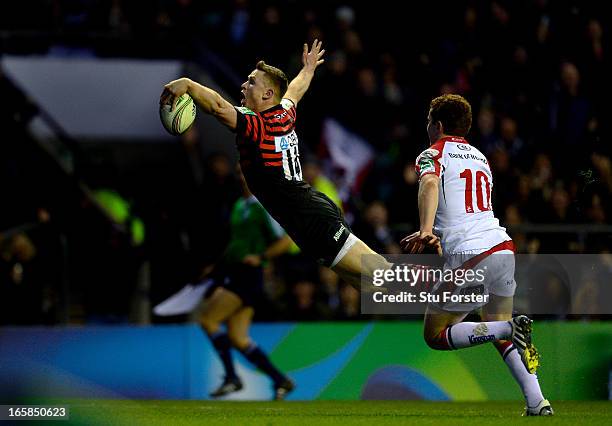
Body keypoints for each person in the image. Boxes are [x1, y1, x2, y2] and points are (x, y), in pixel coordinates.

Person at [160, 39, 390, 289]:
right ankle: (437, 320)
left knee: (382, 273)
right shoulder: (284, 112)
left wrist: (189, 84)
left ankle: (438, 286)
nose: (243, 86)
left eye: (251, 82)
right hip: (307, 217)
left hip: (310, 217)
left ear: (268, 94)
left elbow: (217, 106)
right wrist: (309, 69)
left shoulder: (257, 126)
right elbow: (295, 90)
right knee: (369, 284)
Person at [401, 94, 553, 416]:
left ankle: (508, 328)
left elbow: (429, 184)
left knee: (436, 335)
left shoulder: (432, 153)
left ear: (437, 125)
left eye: (429, 121)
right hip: (502, 247)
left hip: (471, 254)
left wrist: (427, 229)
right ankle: (537, 402)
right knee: (495, 324)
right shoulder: (480, 157)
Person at [199, 167, 294, 400]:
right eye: (239, 173)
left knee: (208, 320)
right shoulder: (240, 205)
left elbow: (286, 241)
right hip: (236, 272)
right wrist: (217, 267)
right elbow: (236, 244)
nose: (241, 177)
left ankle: (232, 377)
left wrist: (261, 257)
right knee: (238, 338)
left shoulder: (264, 206)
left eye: (245, 172)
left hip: (248, 275)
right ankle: (281, 380)